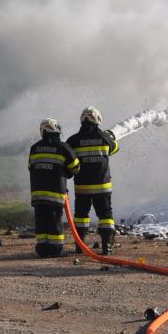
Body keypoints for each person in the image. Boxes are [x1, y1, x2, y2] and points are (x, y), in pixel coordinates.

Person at [66, 107, 119, 255]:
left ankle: (80, 246)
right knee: (105, 216)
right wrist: (110, 136)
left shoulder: (73, 140)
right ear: (98, 119)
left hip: (82, 187)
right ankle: (106, 246)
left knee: (81, 215)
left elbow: (67, 160)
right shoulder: (104, 137)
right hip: (102, 186)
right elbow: (115, 148)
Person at [29, 118, 80, 257]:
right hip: (55, 193)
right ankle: (56, 249)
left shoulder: (34, 148)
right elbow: (76, 167)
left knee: (41, 221)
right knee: (54, 221)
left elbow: (30, 167)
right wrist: (65, 172)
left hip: (38, 194)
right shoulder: (63, 148)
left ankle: (42, 249)